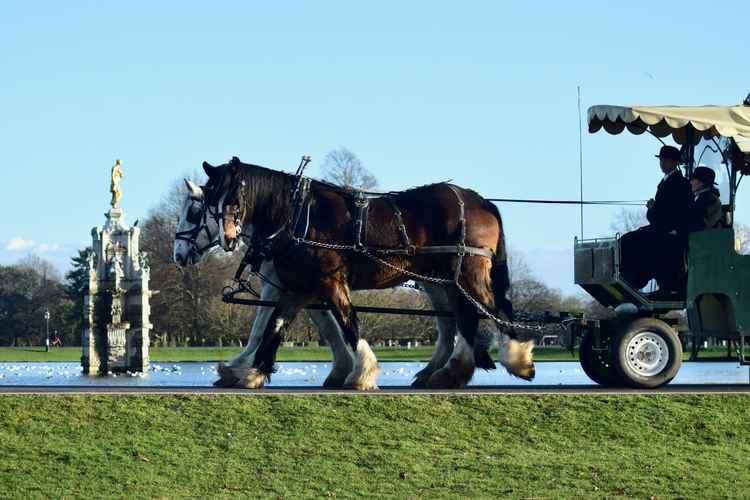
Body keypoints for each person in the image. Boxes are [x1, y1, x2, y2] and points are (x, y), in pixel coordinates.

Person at [619, 145, 693, 293]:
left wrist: (653, 208)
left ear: (674, 162)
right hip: (660, 227)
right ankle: (628, 277)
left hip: (669, 231)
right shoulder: (666, 182)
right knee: (627, 239)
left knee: (635, 241)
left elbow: (672, 212)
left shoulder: (680, 183)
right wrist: (654, 209)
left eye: (665, 160)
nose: (662, 163)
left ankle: (635, 279)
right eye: (661, 160)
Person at [684, 166, 724, 232]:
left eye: (693, 180)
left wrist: (680, 228)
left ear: (702, 183)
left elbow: (703, 224)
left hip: (704, 239)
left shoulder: (712, 200)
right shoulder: (694, 198)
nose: (691, 182)